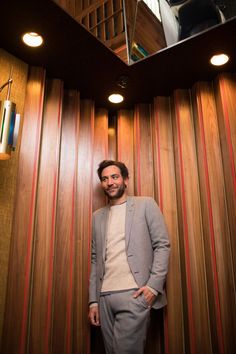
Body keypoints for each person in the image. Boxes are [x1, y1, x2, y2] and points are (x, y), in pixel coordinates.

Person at [88, 160, 170, 354]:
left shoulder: (146, 205)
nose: (110, 182)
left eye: (115, 177)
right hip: (104, 298)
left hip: (134, 294)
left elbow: (162, 245)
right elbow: (95, 259)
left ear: (125, 180)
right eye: (105, 179)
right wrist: (93, 301)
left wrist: (152, 287)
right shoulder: (97, 217)